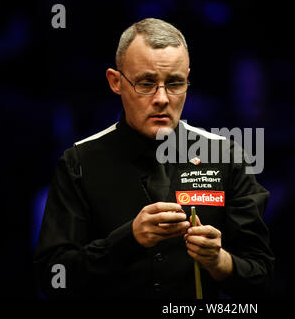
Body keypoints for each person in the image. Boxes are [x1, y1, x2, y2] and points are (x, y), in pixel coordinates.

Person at [34, 18, 274, 298]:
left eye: (174, 84)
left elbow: (262, 276)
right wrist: (128, 240)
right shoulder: (79, 162)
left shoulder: (226, 156)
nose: (161, 98)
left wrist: (220, 262)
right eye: (146, 83)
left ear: (187, 81)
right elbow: (53, 279)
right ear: (115, 82)